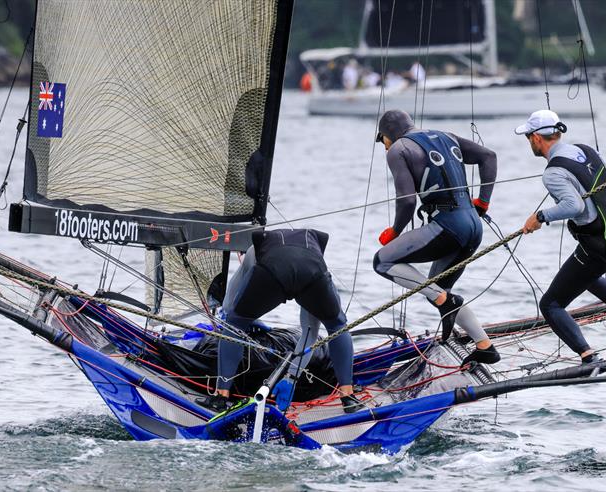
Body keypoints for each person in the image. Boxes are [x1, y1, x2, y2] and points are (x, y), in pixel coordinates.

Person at [515, 110, 606, 364]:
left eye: (528, 137)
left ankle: (588, 355)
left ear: (537, 138)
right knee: (588, 278)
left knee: (550, 304)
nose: (529, 142)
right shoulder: (585, 150)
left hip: (600, 247)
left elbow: (574, 206)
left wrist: (540, 217)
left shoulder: (552, 173)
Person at [373, 109, 500, 365]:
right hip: (474, 226)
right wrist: (483, 203)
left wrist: (395, 231)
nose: (385, 146)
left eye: (383, 140)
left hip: (449, 225)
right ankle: (485, 346)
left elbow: (407, 201)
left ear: (389, 134)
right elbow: (489, 156)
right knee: (438, 288)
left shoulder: (399, 149)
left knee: (382, 261)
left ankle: (445, 301)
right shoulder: (446, 135)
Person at [209, 228, 363, 413]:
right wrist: (291, 376)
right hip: (312, 274)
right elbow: (309, 334)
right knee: (337, 326)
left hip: (271, 272)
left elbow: (228, 309)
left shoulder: (252, 251)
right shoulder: (312, 249)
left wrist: (246, 321)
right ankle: (348, 396)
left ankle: (220, 396)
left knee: (235, 324)